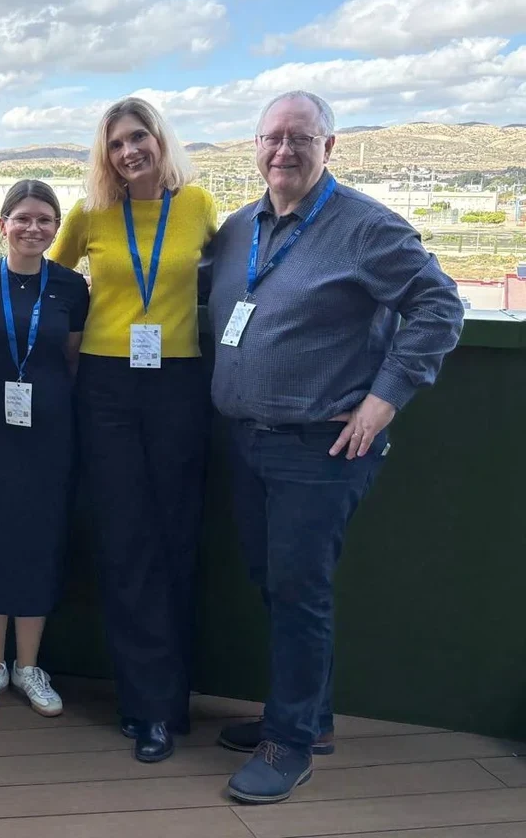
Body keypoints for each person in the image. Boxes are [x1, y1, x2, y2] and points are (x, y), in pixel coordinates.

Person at [206, 91, 463, 805]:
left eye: (300, 137)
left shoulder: (366, 227)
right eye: (271, 138)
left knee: (299, 592)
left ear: (330, 147)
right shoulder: (238, 228)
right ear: (253, 148)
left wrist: (384, 401)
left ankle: (289, 744)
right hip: (247, 441)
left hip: (319, 447)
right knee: (273, 582)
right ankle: (305, 716)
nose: (283, 150)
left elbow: (440, 305)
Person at [49, 97, 216, 764]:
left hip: (179, 384)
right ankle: (144, 705)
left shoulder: (200, 206)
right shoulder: (91, 212)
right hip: (107, 386)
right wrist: (65, 348)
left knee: (177, 536)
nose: (128, 152)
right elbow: (53, 284)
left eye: (138, 137)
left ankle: (173, 698)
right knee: (126, 542)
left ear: (160, 140)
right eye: (116, 143)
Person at [0, 180, 88, 718]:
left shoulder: (71, 287)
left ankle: (29, 666)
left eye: (45, 220)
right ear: (3, 222)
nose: (33, 228)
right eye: (23, 218)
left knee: (40, 540)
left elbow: (74, 358)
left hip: (49, 435)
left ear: (57, 229)